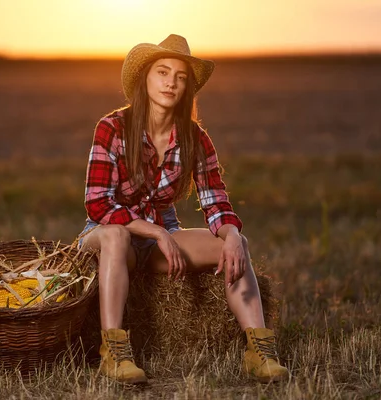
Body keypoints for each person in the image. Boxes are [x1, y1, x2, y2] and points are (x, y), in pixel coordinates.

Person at [78, 34, 289, 384]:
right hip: (106, 237)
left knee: (234, 247)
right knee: (116, 236)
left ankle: (259, 352)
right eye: (162, 72)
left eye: (179, 76)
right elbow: (98, 204)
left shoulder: (195, 138)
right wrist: (155, 231)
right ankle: (113, 353)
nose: (170, 82)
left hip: (161, 240)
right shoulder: (112, 127)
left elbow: (216, 202)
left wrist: (234, 234)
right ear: (145, 78)